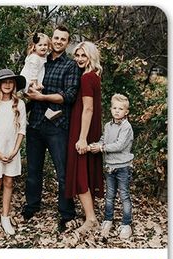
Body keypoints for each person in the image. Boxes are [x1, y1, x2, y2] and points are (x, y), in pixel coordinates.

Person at [22, 25, 81, 233]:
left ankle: (66, 213)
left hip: (57, 126)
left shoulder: (71, 66)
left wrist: (43, 97)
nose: (57, 42)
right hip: (36, 123)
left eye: (62, 39)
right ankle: (32, 206)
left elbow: (69, 96)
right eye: (55, 38)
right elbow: (26, 85)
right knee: (33, 171)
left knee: (62, 171)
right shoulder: (38, 59)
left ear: (67, 42)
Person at [65, 41, 104, 235]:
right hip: (89, 128)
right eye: (77, 55)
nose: (79, 59)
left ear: (91, 56)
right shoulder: (93, 76)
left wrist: (82, 138)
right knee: (86, 171)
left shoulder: (87, 78)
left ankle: (91, 219)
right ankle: (91, 215)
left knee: (80, 173)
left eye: (83, 55)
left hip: (83, 130)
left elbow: (88, 108)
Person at [0, 68, 26, 235]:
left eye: (10, 82)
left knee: (9, 183)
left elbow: (22, 130)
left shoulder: (19, 104)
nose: (7, 85)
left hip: (12, 151)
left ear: (14, 84)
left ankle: (6, 218)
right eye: (4, 82)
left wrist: (15, 150)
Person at [89, 93, 134, 239]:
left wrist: (102, 148)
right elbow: (104, 139)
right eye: (114, 108)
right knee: (109, 196)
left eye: (120, 109)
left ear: (126, 112)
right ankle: (108, 220)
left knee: (124, 195)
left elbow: (119, 145)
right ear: (111, 109)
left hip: (122, 167)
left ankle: (126, 224)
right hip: (109, 167)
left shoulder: (126, 127)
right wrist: (97, 145)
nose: (117, 111)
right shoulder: (108, 125)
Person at [20, 32, 62, 120]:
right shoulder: (35, 58)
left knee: (36, 99)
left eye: (45, 45)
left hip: (31, 82)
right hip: (29, 82)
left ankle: (25, 114)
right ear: (34, 46)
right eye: (40, 45)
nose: (43, 47)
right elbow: (33, 74)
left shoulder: (41, 56)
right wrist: (35, 86)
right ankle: (48, 112)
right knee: (39, 96)